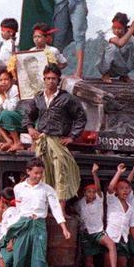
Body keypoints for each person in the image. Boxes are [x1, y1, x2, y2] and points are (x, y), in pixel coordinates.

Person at [24, 63, 85, 200]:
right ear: (44, 79)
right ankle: (44, 208)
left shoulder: (66, 98)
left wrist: (72, 136)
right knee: (42, 175)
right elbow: (28, 115)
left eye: (54, 78)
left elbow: (81, 117)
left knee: (61, 175)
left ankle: (61, 211)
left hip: (59, 141)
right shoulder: (38, 98)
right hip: (42, 142)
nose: (51, 81)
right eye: (48, 78)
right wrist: (30, 128)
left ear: (58, 81)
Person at [4, 158, 72, 267]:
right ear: (28, 172)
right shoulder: (18, 188)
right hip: (23, 224)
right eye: (36, 173)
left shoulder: (47, 189)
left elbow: (56, 208)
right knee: (19, 255)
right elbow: (18, 210)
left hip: (39, 224)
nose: (38, 176)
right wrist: (12, 236)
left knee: (39, 257)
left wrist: (64, 228)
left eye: (41, 173)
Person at [101, 164, 134, 267]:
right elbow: (111, 187)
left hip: (123, 240)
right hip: (111, 238)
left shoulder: (130, 208)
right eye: (122, 188)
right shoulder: (112, 200)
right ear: (117, 191)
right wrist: (118, 172)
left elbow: (132, 227)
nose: (125, 190)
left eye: (127, 189)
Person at [75, 170, 111, 267]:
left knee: (106, 259)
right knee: (89, 264)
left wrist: (94, 173)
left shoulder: (99, 200)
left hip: (98, 233)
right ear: (84, 192)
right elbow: (74, 211)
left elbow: (99, 188)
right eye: (89, 191)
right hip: (86, 234)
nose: (91, 194)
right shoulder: (80, 203)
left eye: (93, 191)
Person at [98, 12, 134, 82]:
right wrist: (132, 28)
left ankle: (124, 74)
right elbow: (120, 43)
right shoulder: (109, 33)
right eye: (114, 28)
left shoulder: (128, 33)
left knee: (132, 48)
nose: (116, 31)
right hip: (107, 67)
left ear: (124, 28)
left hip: (120, 68)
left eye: (119, 28)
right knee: (112, 47)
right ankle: (105, 75)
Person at [0, 65, 24, 152]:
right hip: (11, 119)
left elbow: (10, 109)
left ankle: (17, 142)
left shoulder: (15, 89)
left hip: (22, 120)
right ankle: (8, 140)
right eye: (1, 80)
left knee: (5, 114)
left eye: (6, 79)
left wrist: (2, 94)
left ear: (11, 80)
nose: (3, 82)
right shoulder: (4, 91)